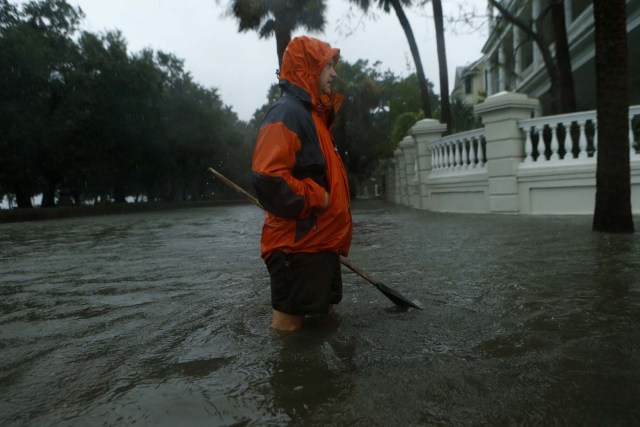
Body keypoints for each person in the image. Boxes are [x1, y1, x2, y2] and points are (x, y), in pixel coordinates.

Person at [251, 35, 352, 331]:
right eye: (327, 66)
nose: (334, 73)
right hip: (296, 249)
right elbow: (268, 177)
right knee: (288, 333)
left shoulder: (315, 118)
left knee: (323, 327)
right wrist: (316, 198)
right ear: (309, 69)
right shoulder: (287, 113)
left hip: (321, 245)